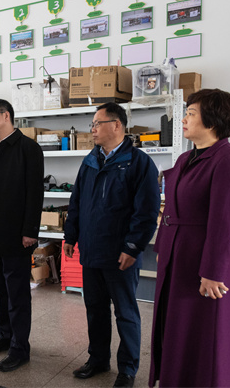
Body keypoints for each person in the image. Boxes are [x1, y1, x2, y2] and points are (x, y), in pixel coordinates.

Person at [149, 89, 230, 387]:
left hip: (204, 263)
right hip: (177, 257)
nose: (184, 119)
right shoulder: (185, 158)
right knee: (175, 329)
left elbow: (224, 223)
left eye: (191, 113)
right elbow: (172, 209)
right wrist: (162, 246)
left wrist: (212, 272)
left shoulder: (229, 162)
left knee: (204, 336)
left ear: (213, 120)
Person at [63, 102, 160, 388]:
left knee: (125, 312)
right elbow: (76, 202)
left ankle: (128, 369)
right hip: (92, 250)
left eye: (97, 123)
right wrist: (70, 235)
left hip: (120, 254)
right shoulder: (90, 161)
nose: (92, 129)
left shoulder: (139, 163)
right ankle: (98, 359)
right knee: (95, 309)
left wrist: (132, 247)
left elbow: (146, 212)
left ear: (116, 125)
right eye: (92, 124)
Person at [0, 98, 44, 372]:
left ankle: (20, 348)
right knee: (1, 292)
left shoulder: (28, 148)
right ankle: (6, 336)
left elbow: (35, 193)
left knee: (17, 295)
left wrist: (30, 231)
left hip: (17, 236)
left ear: (6, 116)